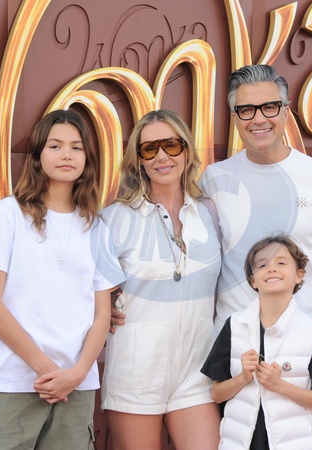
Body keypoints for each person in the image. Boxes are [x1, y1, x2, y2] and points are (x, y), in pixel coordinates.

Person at [198, 64, 312, 450]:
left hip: (311, 356)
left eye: (269, 107)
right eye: (246, 109)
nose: (259, 118)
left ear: (286, 110)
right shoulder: (213, 180)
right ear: (234, 117)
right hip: (237, 359)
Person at [0, 109, 123, 450]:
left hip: (76, 387)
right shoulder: (6, 215)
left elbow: (102, 313)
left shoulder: (97, 227)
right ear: (37, 155)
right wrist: (46, 369)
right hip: (12, 381)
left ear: (87, 159)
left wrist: (76, 373)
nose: (67, 154)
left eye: (76, 147)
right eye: (55, 145)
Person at [100, 109, 222, 450]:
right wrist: (100, 308)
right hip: (136, 372)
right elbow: (81, 286)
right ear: (138, 159)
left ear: (186, 149)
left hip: (197, 371)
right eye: (150, 149)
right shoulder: (114, 219)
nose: (162, 156)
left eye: (171, 144)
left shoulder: (211, 213)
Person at [201, 234, 312, 449]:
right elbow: (217, 394)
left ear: (299, 275)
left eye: (281, 263)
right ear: (253, 280)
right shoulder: (235, 326)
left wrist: (279, 386)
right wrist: (243, 377)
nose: (272, 269)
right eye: (262, 265)